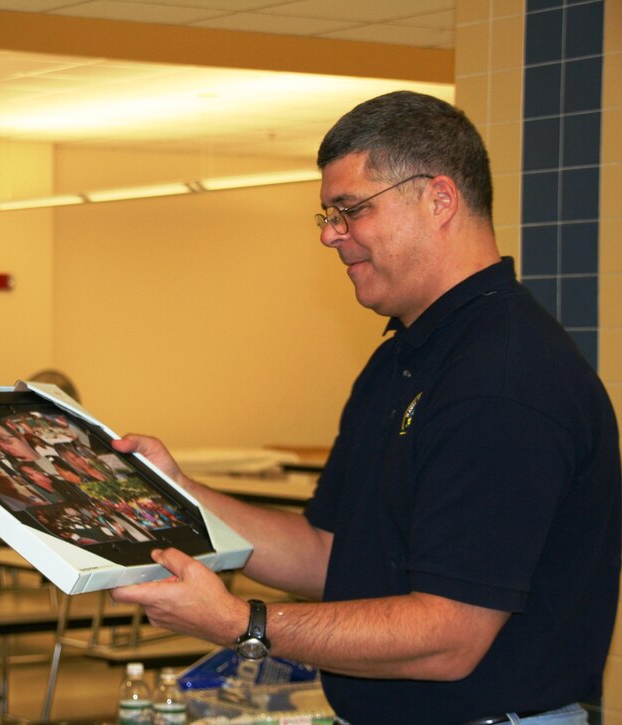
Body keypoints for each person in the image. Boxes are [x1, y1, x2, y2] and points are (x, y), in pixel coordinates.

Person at [111, 91, 621, 725]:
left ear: (439, 199)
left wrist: (241, 623)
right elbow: (330, 554)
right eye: (327, 213)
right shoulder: (404, 358)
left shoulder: (504, 380)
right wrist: (181, 492)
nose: (330, 235)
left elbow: (449, 637)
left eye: (351, 210)